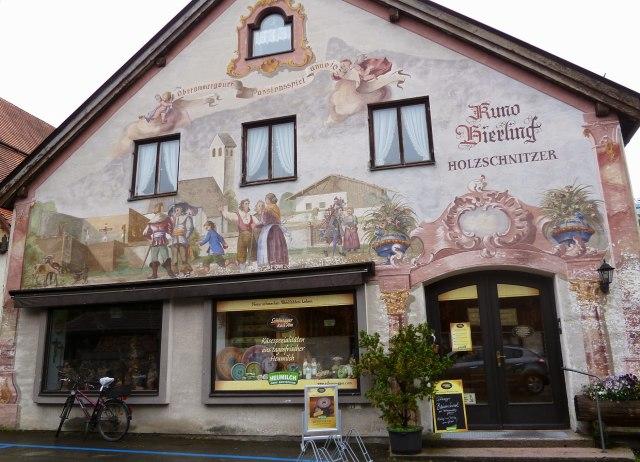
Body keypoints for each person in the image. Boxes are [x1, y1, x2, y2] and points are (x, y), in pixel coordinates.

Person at [220, 199, 257, 269]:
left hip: (251, 237)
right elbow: (228, 215)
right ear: (242, 205)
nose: (247, 205)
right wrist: (222, 211)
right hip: (242, 237)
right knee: (241, 252)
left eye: (248, 204)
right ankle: (242, 268)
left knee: (253, 251)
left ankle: (254, 267)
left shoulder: (251, 217)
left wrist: (255, 225)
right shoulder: (237, 215)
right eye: (246, 203)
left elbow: (258, 223)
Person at [142, 203, 176, 279]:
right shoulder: (152, 221)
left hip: (161, 240)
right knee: (154, 258)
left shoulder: (166, 218)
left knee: (165, 257)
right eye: (156, 207)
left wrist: (170, 236)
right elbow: (145, 233)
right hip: (155, 242)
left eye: (157, 207)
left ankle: (170, 273)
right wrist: (150, 239)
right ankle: (154, 274)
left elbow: (170, 230)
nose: (155, 209)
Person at [256, 193, 289, 267]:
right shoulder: (276, 208)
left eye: (266, 199)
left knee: (271, 246)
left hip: (270, 231)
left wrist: (255, 225)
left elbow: (264, 222)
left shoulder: (266, 209)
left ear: (268, 200)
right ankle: (281, 262)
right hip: (278, 230)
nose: (265, 201)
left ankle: (272, 263)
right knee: (278, 245)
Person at [170, 204, 194, 276]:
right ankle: (175, 272)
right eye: (175, 209)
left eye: (178, 208)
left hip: (182, 239)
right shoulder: (173, 218)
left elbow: (190, 228)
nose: (176, 210)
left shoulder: (186, 217)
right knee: (174, 258)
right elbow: (169, 228)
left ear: (182, 209)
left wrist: (185, 236)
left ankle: (186, 271)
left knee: (184, 257)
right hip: (174, 240)